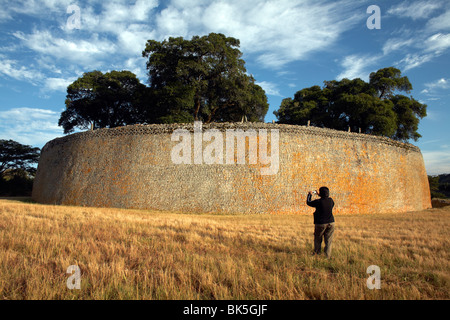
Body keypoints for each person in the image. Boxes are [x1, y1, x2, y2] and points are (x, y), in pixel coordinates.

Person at [307, 186, 335, 258]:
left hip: (320, 223)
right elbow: (325, 198)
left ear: (321, 193)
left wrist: (309, 195)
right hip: (331, 222)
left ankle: (317, 253)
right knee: (328, 240)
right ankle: (327, 256)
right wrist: (320, 194)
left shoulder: (318, 202)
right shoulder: (331, 201)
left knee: (318, 239)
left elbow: (308, 202)